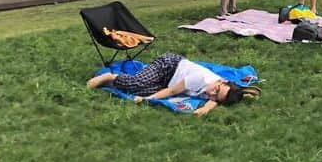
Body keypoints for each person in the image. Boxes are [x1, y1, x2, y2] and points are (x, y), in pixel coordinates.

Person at [87, 53, 259, 116]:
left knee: (142, 88)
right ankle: (110, 76)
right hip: (168, 66)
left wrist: (206, 108)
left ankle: (117, 82)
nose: (211, 95)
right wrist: (148, 99)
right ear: (221, 81)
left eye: (216, 97)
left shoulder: (217, 92)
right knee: (137, 84)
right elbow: (170, 92)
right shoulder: (200, 79)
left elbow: (216, 99)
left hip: (168, 81)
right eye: (216, 90)